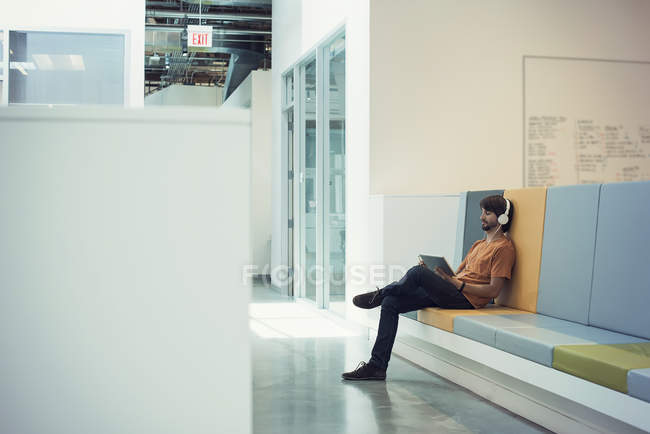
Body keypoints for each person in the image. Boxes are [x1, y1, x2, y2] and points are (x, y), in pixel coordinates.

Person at [342, 195, 516, 381]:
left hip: (468, 299)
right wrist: (437, 273)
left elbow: (493, 291)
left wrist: (459, 284)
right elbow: (456, 274)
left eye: (487, 213)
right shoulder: (479, 245)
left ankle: (378, 294)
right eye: (482, 212)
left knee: (417, 273)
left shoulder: (504, 249)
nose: (482, 217)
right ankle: (377, 366)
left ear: (502, 218)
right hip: (454, 290)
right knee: (390, 302)